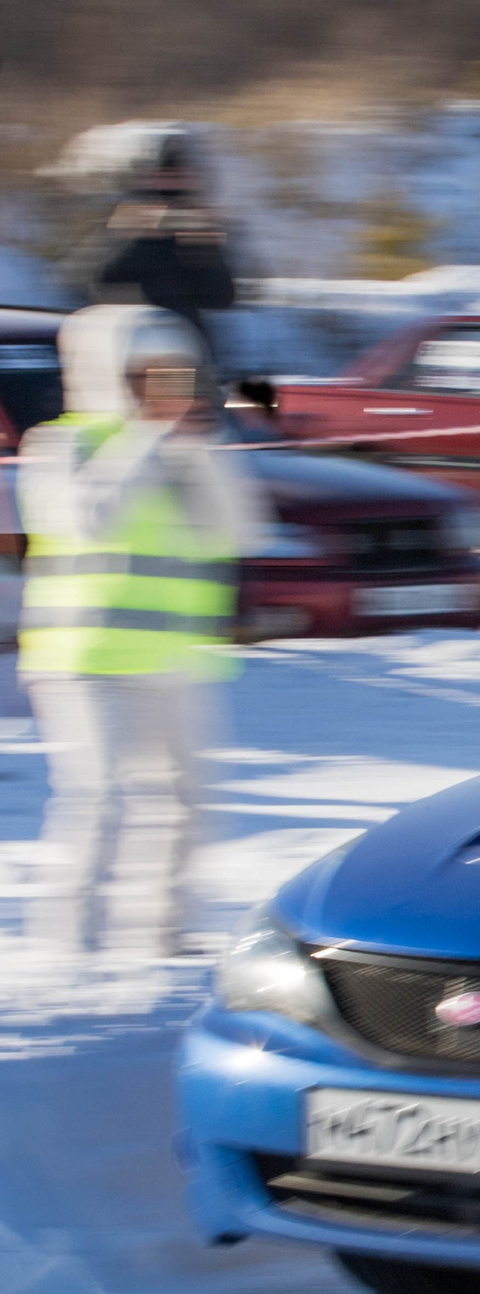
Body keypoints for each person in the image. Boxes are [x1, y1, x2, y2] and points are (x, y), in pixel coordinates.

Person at [15, 305, 268, 959]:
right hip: (83, 656)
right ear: (109, 374)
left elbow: (238, 533)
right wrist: (147, 437)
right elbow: (92, 516)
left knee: (186, 805)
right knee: (97, 799)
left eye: (173, 375)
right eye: (145, 374)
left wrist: (202, 454)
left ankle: (159, 938)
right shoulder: (63, 443)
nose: (161, 388)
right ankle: (69, 947)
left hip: (173, 658)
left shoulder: (179, 447)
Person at [82, 132, 239, 363]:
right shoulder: (127, 221)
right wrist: (144, 239)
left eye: (179, 176)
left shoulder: (196, 224)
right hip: (137, 346)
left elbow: (222, 297)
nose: (173, 183)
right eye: (165, 175)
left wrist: (202, 250)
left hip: (187, 347)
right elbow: (100, 283)